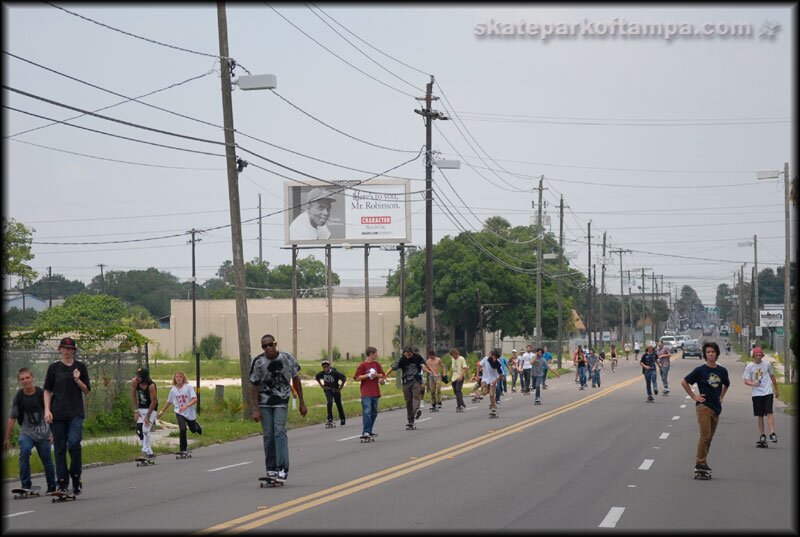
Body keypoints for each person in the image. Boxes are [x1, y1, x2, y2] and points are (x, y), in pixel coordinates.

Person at [248, 334, 307, 484]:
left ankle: (282, 468)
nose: (267, 348)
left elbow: (296, 379)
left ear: (275, 344)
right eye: (264, 346)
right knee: (268, 435)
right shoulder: (258, 361)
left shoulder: (287, 358)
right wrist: (255, 409)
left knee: (279, 431)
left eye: (270, 345)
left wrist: (302, 402)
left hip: (281, 400)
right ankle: (271, 469)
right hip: (264, 402)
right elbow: (254, 385)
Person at [44, 337, 90, 496]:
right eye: (64, 348)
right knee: (60, 448)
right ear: (60, 350)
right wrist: (47, 410)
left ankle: (76, 476)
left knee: (74, 443)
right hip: (57, 414)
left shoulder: (80, 367)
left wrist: (77, 379)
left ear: (74, 351)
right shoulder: (54, 368)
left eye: (70, 349)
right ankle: (62, 482)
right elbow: (47, 391)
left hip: (75, 413)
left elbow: (86, 390)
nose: (67, 351)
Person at [680, 342, 730, 475]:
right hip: (703, 406)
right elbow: (684, 382)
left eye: (713, 352)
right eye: (708, 352)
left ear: (717, 354)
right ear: (705, 355)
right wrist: (694, 396)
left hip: (716, 407)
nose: (711, 354)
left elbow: (726, 384)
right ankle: (699, 463)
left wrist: (721, 397)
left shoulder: (722, 371)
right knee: (705, 435)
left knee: (709, 438)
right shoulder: (700, 370)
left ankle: (703, 462)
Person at [4, 368, 57, 494]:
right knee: (24, 452)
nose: (25, 381)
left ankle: (52, 485)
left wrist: (53, 433)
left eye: (27, 378)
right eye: (22, 379)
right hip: (27, 432)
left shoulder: (41, 393)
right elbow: (12, 417)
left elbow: (52, 413)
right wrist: (6, 438)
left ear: (32, 378)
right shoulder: (19, 396)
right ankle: (26, 485)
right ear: (19, 381)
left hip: (43, 432)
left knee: (47, 460)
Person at [158, 371, 203, 455]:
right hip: (179, 412)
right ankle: (183, 448)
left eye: (180, 377)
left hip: (189, 412)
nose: (178, 378)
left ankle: (197, 427)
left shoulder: (188, 387)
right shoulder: (173, 390)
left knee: (193, 430)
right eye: (177, 377)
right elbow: (169, 402)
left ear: (183, 379)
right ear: (174, 379)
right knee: (183, 429)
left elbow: (195, 399)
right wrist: (161, 412)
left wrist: (186, 406)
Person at [385, 346, 430, 427]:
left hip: (416, 381)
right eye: (407, 354)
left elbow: (424, 365)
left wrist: (429, 371)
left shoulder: (417, 357)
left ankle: (414, 412)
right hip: (406, 382)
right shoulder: (402, 360)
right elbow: (392, 367)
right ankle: (411, 421)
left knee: (416, 397)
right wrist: (384, 376)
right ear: (404, 353)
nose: (408, 356)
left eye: (410, 354)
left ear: (412, 353)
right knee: (408, 401)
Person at [742, 347, 779, 444]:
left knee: (769, 412)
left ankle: (772, 433)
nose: (758, 357)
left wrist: (776, 389)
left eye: (759, 355)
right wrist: (752, 383)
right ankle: (762, 435)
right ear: (753, 356)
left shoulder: (767, 364)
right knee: (760, 415)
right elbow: (746, 380)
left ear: (762, 355)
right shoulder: (749, 366)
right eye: (756, 355)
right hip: (757, 394)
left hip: (768, 392)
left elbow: (772, 377)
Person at [354, 346, 386, 438]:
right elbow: (357, 377)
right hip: (366, 392)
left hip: (375, 391)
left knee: (374, 412)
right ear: (371, 354)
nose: (377, 355)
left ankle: (369, 429)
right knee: (367, 411)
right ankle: (366, 431)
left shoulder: (376, 364)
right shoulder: (363, 365)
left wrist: (376, 375)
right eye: (376, 353)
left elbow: (382, 374)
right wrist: (368, 375)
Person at [130, 368, 158, 460]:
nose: (137, 378)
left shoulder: (151, 386)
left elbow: (153, 402)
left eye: (139, 377)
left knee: (145, 430)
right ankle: (149, 452)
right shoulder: (135, 382)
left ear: (144, 377)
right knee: (139, 430)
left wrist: (147, 416)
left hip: (151, 408)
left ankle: (144, 451)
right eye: (137, 376)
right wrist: (136, 410)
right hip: (141, 408)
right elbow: (133, 395)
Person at [315, 359, 347, 426]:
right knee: (329, 402)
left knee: (338, 404)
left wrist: (340, 388)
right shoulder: (322, 373)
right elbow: (317, 377)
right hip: (328, 390)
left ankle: (342, 418)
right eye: (324, 367)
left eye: (326, 367)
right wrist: (322, 386)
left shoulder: (335, 372)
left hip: (335, 390)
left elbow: (344, 378)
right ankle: (330, 418)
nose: (325, 368)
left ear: (329, 366)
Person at [475, 350, 502, 416]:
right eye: (494, 357)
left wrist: (496, 380)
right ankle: (481, 393)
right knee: (484, 393)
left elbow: (501, 374)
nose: (494, 359)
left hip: (493, 379)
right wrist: (477, 375)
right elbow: (479, 365)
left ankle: (493, 408)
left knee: (491, 395)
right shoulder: (485, 359)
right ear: (491, 355)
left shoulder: (498, 363)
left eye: (496, 358)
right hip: (485, 378)